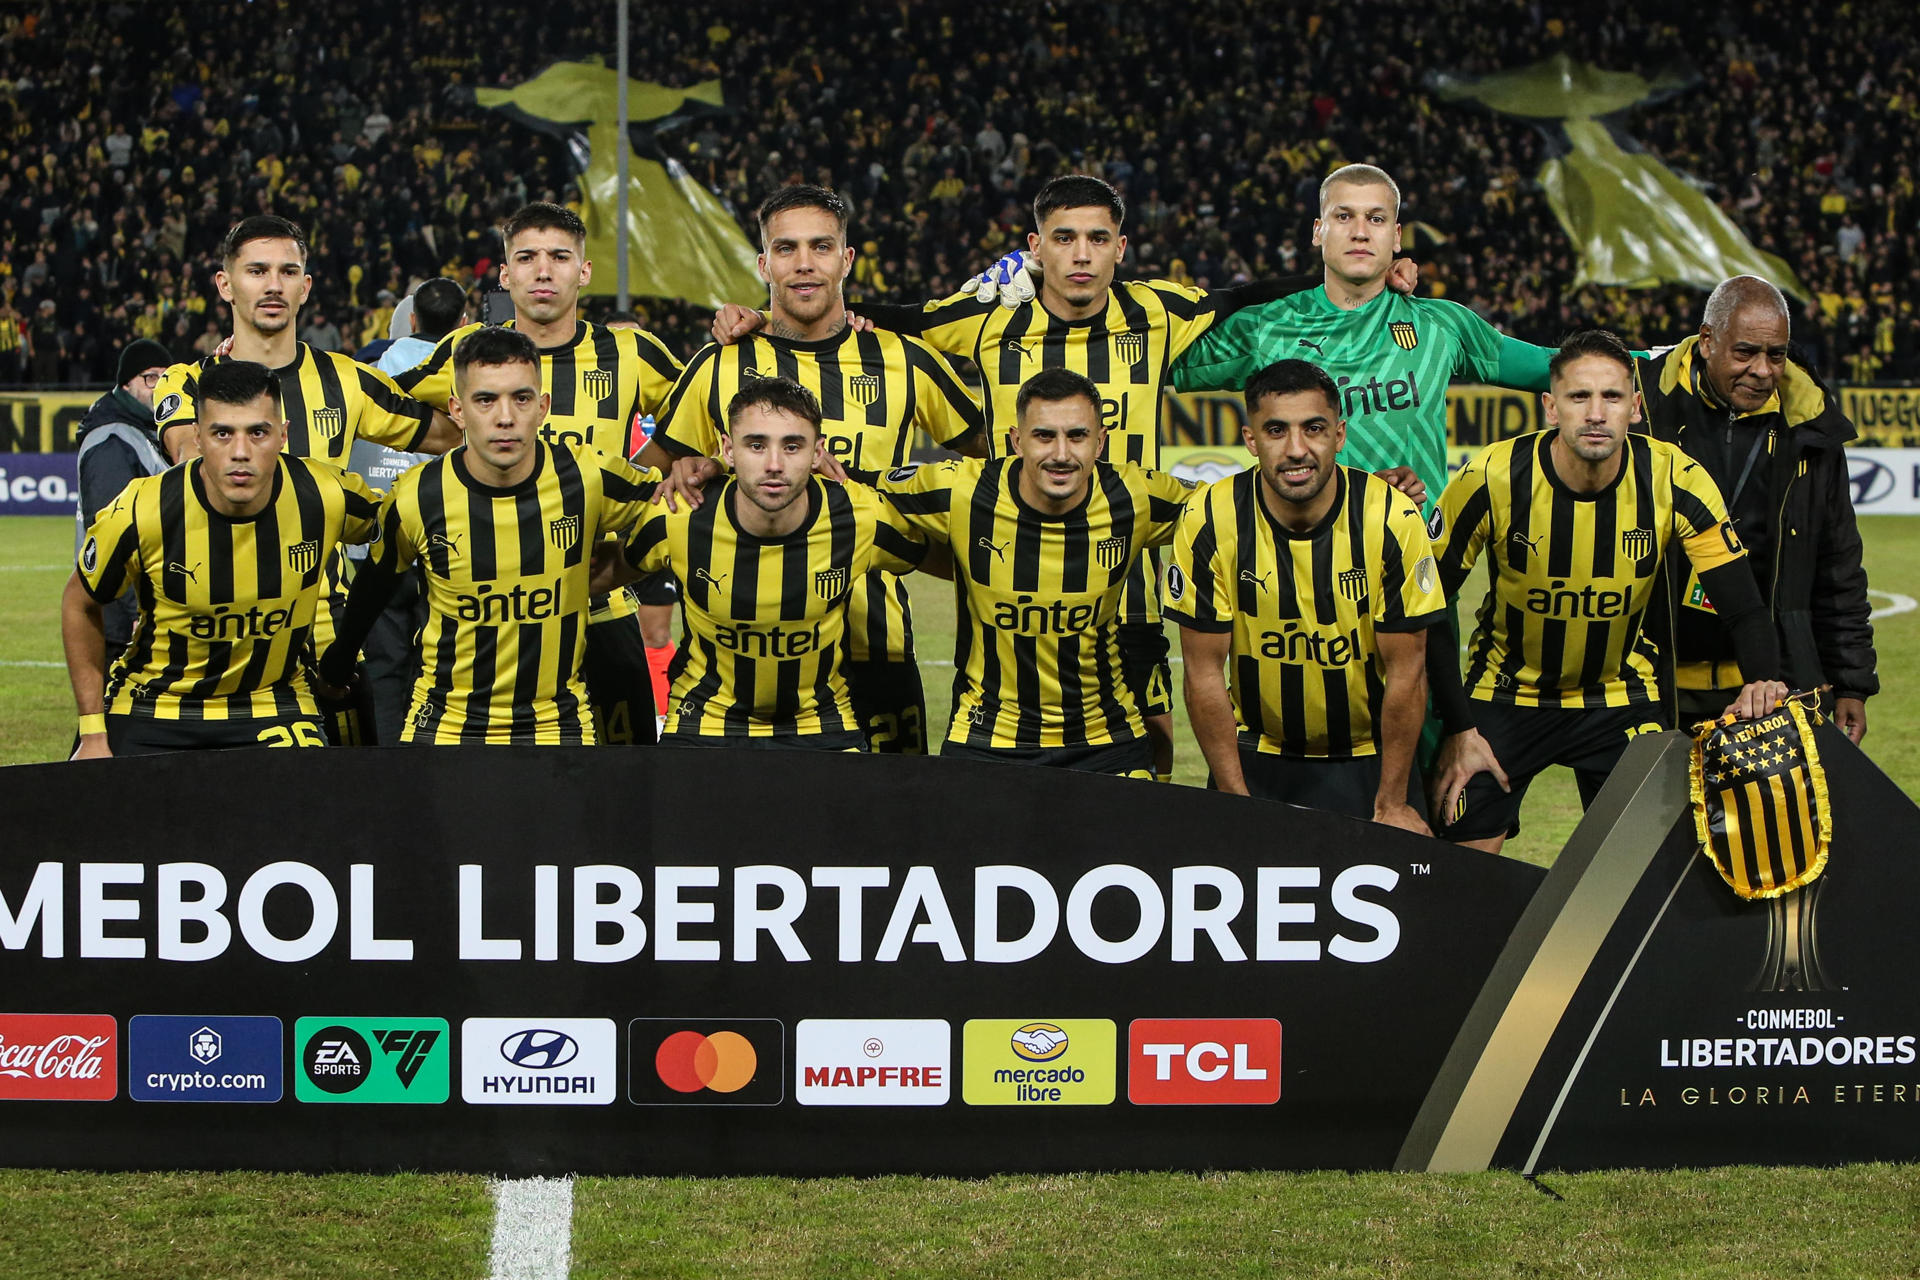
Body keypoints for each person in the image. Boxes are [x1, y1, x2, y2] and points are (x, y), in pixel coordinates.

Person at [711, 175, 1405, 781]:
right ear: (1035, 248)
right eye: (1064, 238)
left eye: (1098, 239)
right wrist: (756, 316)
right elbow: (890, 317)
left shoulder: (1158, 312)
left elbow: (1246, 296)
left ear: (1120, 249)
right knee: (996, 760)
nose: (1081, 255)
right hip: (1002, 586)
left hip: (1124, 585)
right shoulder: (986, 323)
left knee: (1149, 757)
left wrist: (1369, 280)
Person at [638, 185, 987, 754]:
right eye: (786, 248)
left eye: (821, 247)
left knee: (882, 833)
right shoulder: (721, 362)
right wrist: (684, 469)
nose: (803, 263)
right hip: (738, 658)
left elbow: (1003, 461)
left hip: (875, 647)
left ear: (846, 259)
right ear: (763, 263)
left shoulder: (903, 360)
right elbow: (652, 480)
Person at [1427, 330, 1788, 853]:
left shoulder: (1676, 479)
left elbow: (1744, 608)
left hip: (1620, 697)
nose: (1596, 412)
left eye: (1612, 397)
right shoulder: (1491, 476)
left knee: (1649, 871)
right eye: (1579, 397)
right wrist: (1459, 730)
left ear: (1635, 408)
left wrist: (1762, 680)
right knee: (1463, 869)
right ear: (1551, 407)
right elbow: (1428, 608)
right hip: (1503, 695)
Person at [396, 202, 684, 746]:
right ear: (505, 275)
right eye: (527, 258)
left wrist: (648, 474)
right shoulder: (466, 352)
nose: (544, 270)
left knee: (622, 793)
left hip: (603, 612)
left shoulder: (630, 352)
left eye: (559, 256)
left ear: (585, 271)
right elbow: (370, 398)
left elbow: (715, 412)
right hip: (490, 625)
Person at [317, 326, 661, 745]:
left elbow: (677, 519)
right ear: (457, 411)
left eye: (521, 398)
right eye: (485, 400)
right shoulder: (417, 497)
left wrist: (627, 560)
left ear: (543, 406)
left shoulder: (587, 477)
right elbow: (374, 586)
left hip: (558, 727)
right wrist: (337, 667)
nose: (505, 417)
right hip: (443, 728)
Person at [1173, 163, 1559, 512]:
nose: (1359, 232)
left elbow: (1556, 367)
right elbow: (1151, 360)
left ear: (1396, 237)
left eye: (1376, 219)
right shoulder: (1265, 327)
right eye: (1344, 216)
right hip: (1306, 566)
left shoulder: (1442, 325)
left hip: (1417, 570)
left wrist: (1619, 364)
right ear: (1317, 231)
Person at [1167, 360, 1445, 831]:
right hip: (1256, 756)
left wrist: (1392, 801)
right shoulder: (1208, 518)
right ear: (1251, 439)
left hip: (1370, 760)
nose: (1296, 449)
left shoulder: (1391, 517)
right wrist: (1235, 801)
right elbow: (1202, 674)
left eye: (1313, 428)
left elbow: (1408, 672)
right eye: (1276, 430)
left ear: (1338, 434)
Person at [875, 369, 1194, 777]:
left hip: (1107, 739)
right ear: (1016, 440)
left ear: (1101, 442)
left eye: (1077, 436)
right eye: (1044, 436)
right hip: (986, 737)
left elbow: (1229, 511)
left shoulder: (1136, 496)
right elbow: (857, 493)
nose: (1061, 454)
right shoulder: (961, 491)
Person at [63, 360, 380, 757]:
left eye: (258, 432)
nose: (241, 452)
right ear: (197, 437)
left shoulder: (325, 495)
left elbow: (407, 532)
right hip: (153, 703)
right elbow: (79, 602)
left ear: (283, 436)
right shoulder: (144, 508)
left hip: (273, 702)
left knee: (307, 814)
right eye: (222, 434)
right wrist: (93, 733)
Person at [607, 376, 932, 750]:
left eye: (792, 446)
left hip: (822, 727)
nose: (774, 464)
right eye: (756, 445)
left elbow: (947, 559)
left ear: (817, 453)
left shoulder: (858, 518)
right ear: (727, 450)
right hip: (704, 725)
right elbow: (603, 571)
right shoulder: (680, 515)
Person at [1635, 275, 1876, 743]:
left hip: (1770, 690)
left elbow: (1838, 564)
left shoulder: (1810, 430)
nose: (1763, 370)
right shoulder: (1643, 408)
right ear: (1707, 341)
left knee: (1771, 820)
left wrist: (1852, 682)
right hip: (1648, 685)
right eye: (1745, 353)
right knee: (1649, 818)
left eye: (1777, 355)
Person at [153, 216, 457, 468]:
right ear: (225, 285)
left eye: (288, 272)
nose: (274, 286)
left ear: (305, 287)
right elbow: (188, 461)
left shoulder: (347, 381)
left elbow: (452, 436)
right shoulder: (187, 382)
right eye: (257, 271)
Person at [341, 276, 472, 742]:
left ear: (411, 319)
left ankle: (386, 766)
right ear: (464, 323)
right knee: (443, 666)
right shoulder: (469, 377)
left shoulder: (367, 373)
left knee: (383, 666)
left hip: (375, 539)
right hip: (449, 542)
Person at [604, 309, 683, 735]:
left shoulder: (659, 413)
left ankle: (660, 717)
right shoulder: (596, 410)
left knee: (654, 631)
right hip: (603, 532)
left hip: (649, 529)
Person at [73, 337, 173, 664]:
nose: (159, 387)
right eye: (150, 377)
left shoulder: (144, 431)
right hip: (121, 615)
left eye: (165, 377)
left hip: (143, 607)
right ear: (127, 384)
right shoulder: (113, 439)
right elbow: (112, 534)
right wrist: (133, 610)